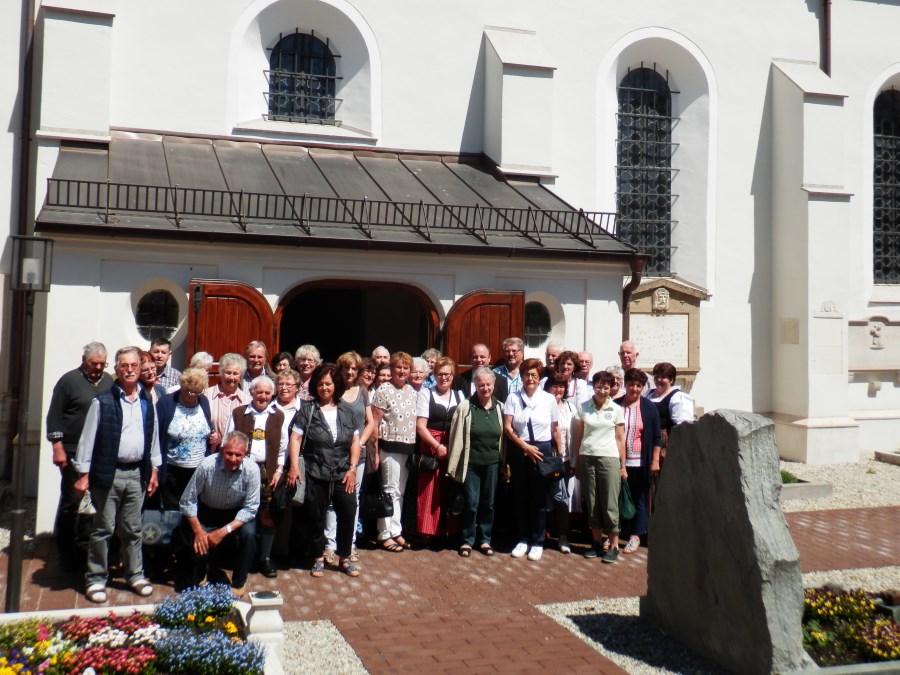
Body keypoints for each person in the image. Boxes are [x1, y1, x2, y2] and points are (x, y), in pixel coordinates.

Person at [73, 346, 161, 603]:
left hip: (137, 473)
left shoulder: (146, 400)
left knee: (133, 529)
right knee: (103, 528)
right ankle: (96, 579)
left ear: (140, 368)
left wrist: (154, 469)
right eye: (125, 366)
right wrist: (83, 473)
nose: (130, 370)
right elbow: (87, 438)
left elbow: (153, 436)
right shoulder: (102, 401)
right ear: (117, 369)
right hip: (109, 473)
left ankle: (135, 575)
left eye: (134, 365)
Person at [287, 364, 363, 578]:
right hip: (315, 471)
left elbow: (355, 441)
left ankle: (344, 557)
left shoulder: (347, 411)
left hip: (343, 472)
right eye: (320, 384)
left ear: (336, 384)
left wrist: (353, 468)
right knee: (315, 516)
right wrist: (294, 467)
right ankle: (318, 557)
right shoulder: (308, 409)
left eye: (328, 383)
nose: (324, 388)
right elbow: (296, 438)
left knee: (348, 512)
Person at [45, 341, 114, 569]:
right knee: (72, 502)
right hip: (73, 451)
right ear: (84, 360)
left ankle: (87, 550)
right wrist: (57, 447)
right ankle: (66, 552)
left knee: (93, 504)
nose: (98, 368)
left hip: (99, 453)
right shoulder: (68, 381)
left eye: (102, 364)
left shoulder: (108, 381)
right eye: (94, 363)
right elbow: (55, 415)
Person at [179, 430, 260, 597]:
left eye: (238, 455)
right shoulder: (207, 465)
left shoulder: (252, 470)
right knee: (199, 538)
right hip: (209, 511)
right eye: (229, 453)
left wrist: (224, 531)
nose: (233, 459)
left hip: (237, 515)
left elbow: (251, 508)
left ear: (245, 453)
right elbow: (187, 501)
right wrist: (198, 531)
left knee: (250, 534)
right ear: (222, 450)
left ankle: (239, 580)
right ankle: (200, 572)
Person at [225, 375, 285, 578]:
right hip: (241, 470)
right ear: (251, 393)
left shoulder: (279, 415)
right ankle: (242, 556)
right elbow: (227, 441)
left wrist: (279, 470)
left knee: (267, 515)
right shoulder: (238, 413)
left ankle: (265, 557)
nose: (263, 396)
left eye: (267, 393)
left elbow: (283, 447)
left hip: (268, 471)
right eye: (259, 392)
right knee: (240, 512)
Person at [502, 358, 561, 562]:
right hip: (520, 449)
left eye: (534, 375)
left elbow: (555, 429)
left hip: (542, 450)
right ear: (521, 377)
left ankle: (537, 541)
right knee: (520, 496)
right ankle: (522, 539)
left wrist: (560, 454)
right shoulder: (513, 398)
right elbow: (508, 428)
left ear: (539, 377)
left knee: (539, 498)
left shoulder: (548, 399)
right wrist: (525, 446)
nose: (530, 379)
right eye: (527, 374)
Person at [447, 367, 505, 557]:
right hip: (471, 463)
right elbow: (455, 437)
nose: (485, 388)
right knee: (471, 503)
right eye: (481, 385)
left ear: (493, 386)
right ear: (475, 386)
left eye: (488, 384)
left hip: (492, 463)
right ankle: (467, 540)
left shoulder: (500, 407)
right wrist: (453, 464)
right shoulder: (466, 406)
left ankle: (485, 540)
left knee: (488, 503)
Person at [325, 352, 375, 559]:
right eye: (347, 368)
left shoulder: (362, 392)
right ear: (341, 369)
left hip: (358, 455)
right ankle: (330, 544)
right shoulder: (334, 390)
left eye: (354, 368)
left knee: (353, 499)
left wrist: (360, 443)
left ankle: (350, 544)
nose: (350, 372)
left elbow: (370, 422)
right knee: (331, 500)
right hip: (336, 454)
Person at [572, 371, 626, 563]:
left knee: (610, 502)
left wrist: (623, 465)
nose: (602, 390)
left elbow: (620, 439)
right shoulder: (583, 407)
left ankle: (613, 545)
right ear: (593, 387)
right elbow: (579, 436)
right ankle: (596, 543)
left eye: (606, 387)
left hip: (609, 459)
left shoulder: (616, 409)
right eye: (599, 386)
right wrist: (577, 462)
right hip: (587, 457)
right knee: (592, 502)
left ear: (611, 388)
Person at [371, 351, 417, 552]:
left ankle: (396, 530)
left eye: (406, 368)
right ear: (392, 369)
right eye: (398, 367)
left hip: (407, 448)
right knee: (389, 490)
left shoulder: (412, 391)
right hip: (388, 447)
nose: (402, 371)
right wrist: (374, 451)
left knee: (400, 491)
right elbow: (374, 423)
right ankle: (384, 533)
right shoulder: (384, 390)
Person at [414, 356, 463, 545]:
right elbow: (420, 426)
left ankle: (449, 530)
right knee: (429, 490)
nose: (444, 378)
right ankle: (428, 531)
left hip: (452, 447)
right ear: (434, 376)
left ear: (453, 375)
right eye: (440, 374)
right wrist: (437, 446)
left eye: (447, 374)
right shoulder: (426, 394)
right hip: (431, 446)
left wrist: (452, 447)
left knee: (450, 488)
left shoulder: (459, 396)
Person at [156, 368, 216, 509]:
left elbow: (206, 428)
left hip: (198, 469)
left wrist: (212, 436)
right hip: (172, 470)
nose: (192, 395)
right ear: (182, 386)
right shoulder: (166, 403)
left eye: (197, 392)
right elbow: (157, 435)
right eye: (189, 391)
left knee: (193, 508)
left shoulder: (203, 401)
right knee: (173, 511)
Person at [619, 368, 662, 555]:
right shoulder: (615, 405)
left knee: (639, 498)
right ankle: (617, 532)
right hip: (618, 461)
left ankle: (636, 535)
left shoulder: (649, 407)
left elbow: (657, 437)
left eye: (638, 385)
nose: (634, 389)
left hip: (639, 462)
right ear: (625, 384)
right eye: (631, 384)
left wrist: (655, 460)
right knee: (618, 496)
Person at [544, 373, 579, 554]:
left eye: (562, 386)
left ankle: (563, 537)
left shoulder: (570, 407)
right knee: (544, 498)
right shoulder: (542, 405)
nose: (558, 390)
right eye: (554, 386)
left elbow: (575, 435)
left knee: (562, 499)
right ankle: (543, 534)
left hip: (564, 461)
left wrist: (573, 461)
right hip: (545, 460)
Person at [203, 353, 250, 453]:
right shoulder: (206, 395)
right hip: (210, 451)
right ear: (221, 372)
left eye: (235, 373)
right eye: (228, 372)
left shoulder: (247, 401)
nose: (231, 377)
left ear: (241, 376)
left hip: (235, 455)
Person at [648, 362, 695, 454]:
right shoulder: (648, 393)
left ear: (671, 380)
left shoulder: (678, 397)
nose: (659, 380)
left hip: (665, 447)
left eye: (663, 377)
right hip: (647, 441)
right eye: (656, 377)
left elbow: (683, 427)